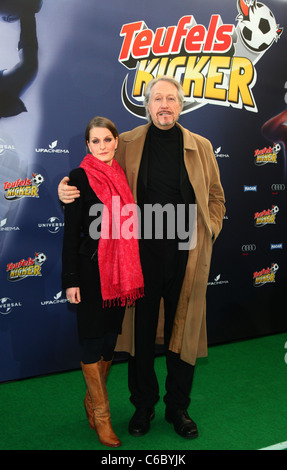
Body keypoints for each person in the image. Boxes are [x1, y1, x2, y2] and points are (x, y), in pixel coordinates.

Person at [59, 76, 225, 440]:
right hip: (139, 255)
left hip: (186, 254)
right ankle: (143, 406)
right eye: (157, 99)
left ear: (180, 106)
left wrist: (209, 229)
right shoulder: (128, 142)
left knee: (183, 333)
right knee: (142, 336)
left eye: (171, 99)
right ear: (147, 106)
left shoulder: (202, 146)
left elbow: (216, 196)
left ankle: (178, 408)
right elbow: (94, 171)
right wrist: (65, 186)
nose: (164, 105)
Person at [61, 116, 144, 448]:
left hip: (120, 274)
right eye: (95, 141)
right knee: (92, 342)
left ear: (115, 141)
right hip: (92, 273)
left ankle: (91, 400)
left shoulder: (122, 175)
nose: (102, 146)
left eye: (107, 140)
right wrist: (70, 279)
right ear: (88, 146)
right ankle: (102, 416)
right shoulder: (79, 177)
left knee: (110, 342)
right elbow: (70, 234)